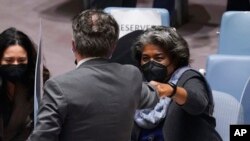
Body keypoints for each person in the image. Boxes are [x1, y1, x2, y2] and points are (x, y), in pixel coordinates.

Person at [27, 9, 160, 141]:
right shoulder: (131, 76)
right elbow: (152, 97)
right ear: (114, 46)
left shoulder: (58, 87)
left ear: (73, 45)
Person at [131, 26, 222, 141]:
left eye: (159, 58)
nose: (151, 64)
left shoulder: (189, 77)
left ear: (175, 59)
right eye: (145, 58)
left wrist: (172, 91)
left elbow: (198, 103)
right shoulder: (139, 81)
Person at [0, 27, 50, 141]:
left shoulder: (37, 84)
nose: (15, 64)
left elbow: (39, 125)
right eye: (9, 61)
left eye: (21, 61)